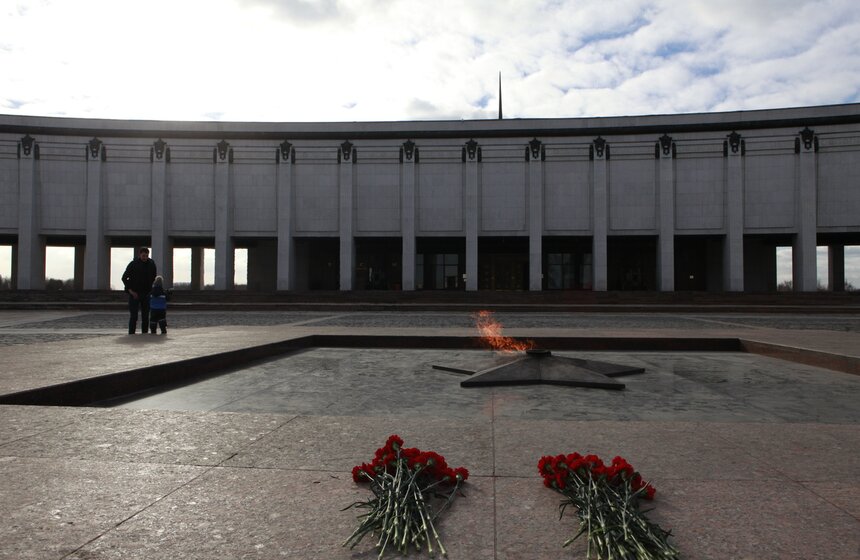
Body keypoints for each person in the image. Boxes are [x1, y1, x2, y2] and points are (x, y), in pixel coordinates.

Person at [121, 247, 157, 334]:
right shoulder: (133, 264)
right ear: (140, 255)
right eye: (143, 255)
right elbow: (124, 278)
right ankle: (131, 333)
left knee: (145, 316)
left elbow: (154, 277)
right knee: (134, 316)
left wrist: (151, 290)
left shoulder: (151, 264)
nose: (145, 257)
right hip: (134, 293)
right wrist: (130, 291)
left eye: (146, 256)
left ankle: (144, 333)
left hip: (146, 293)